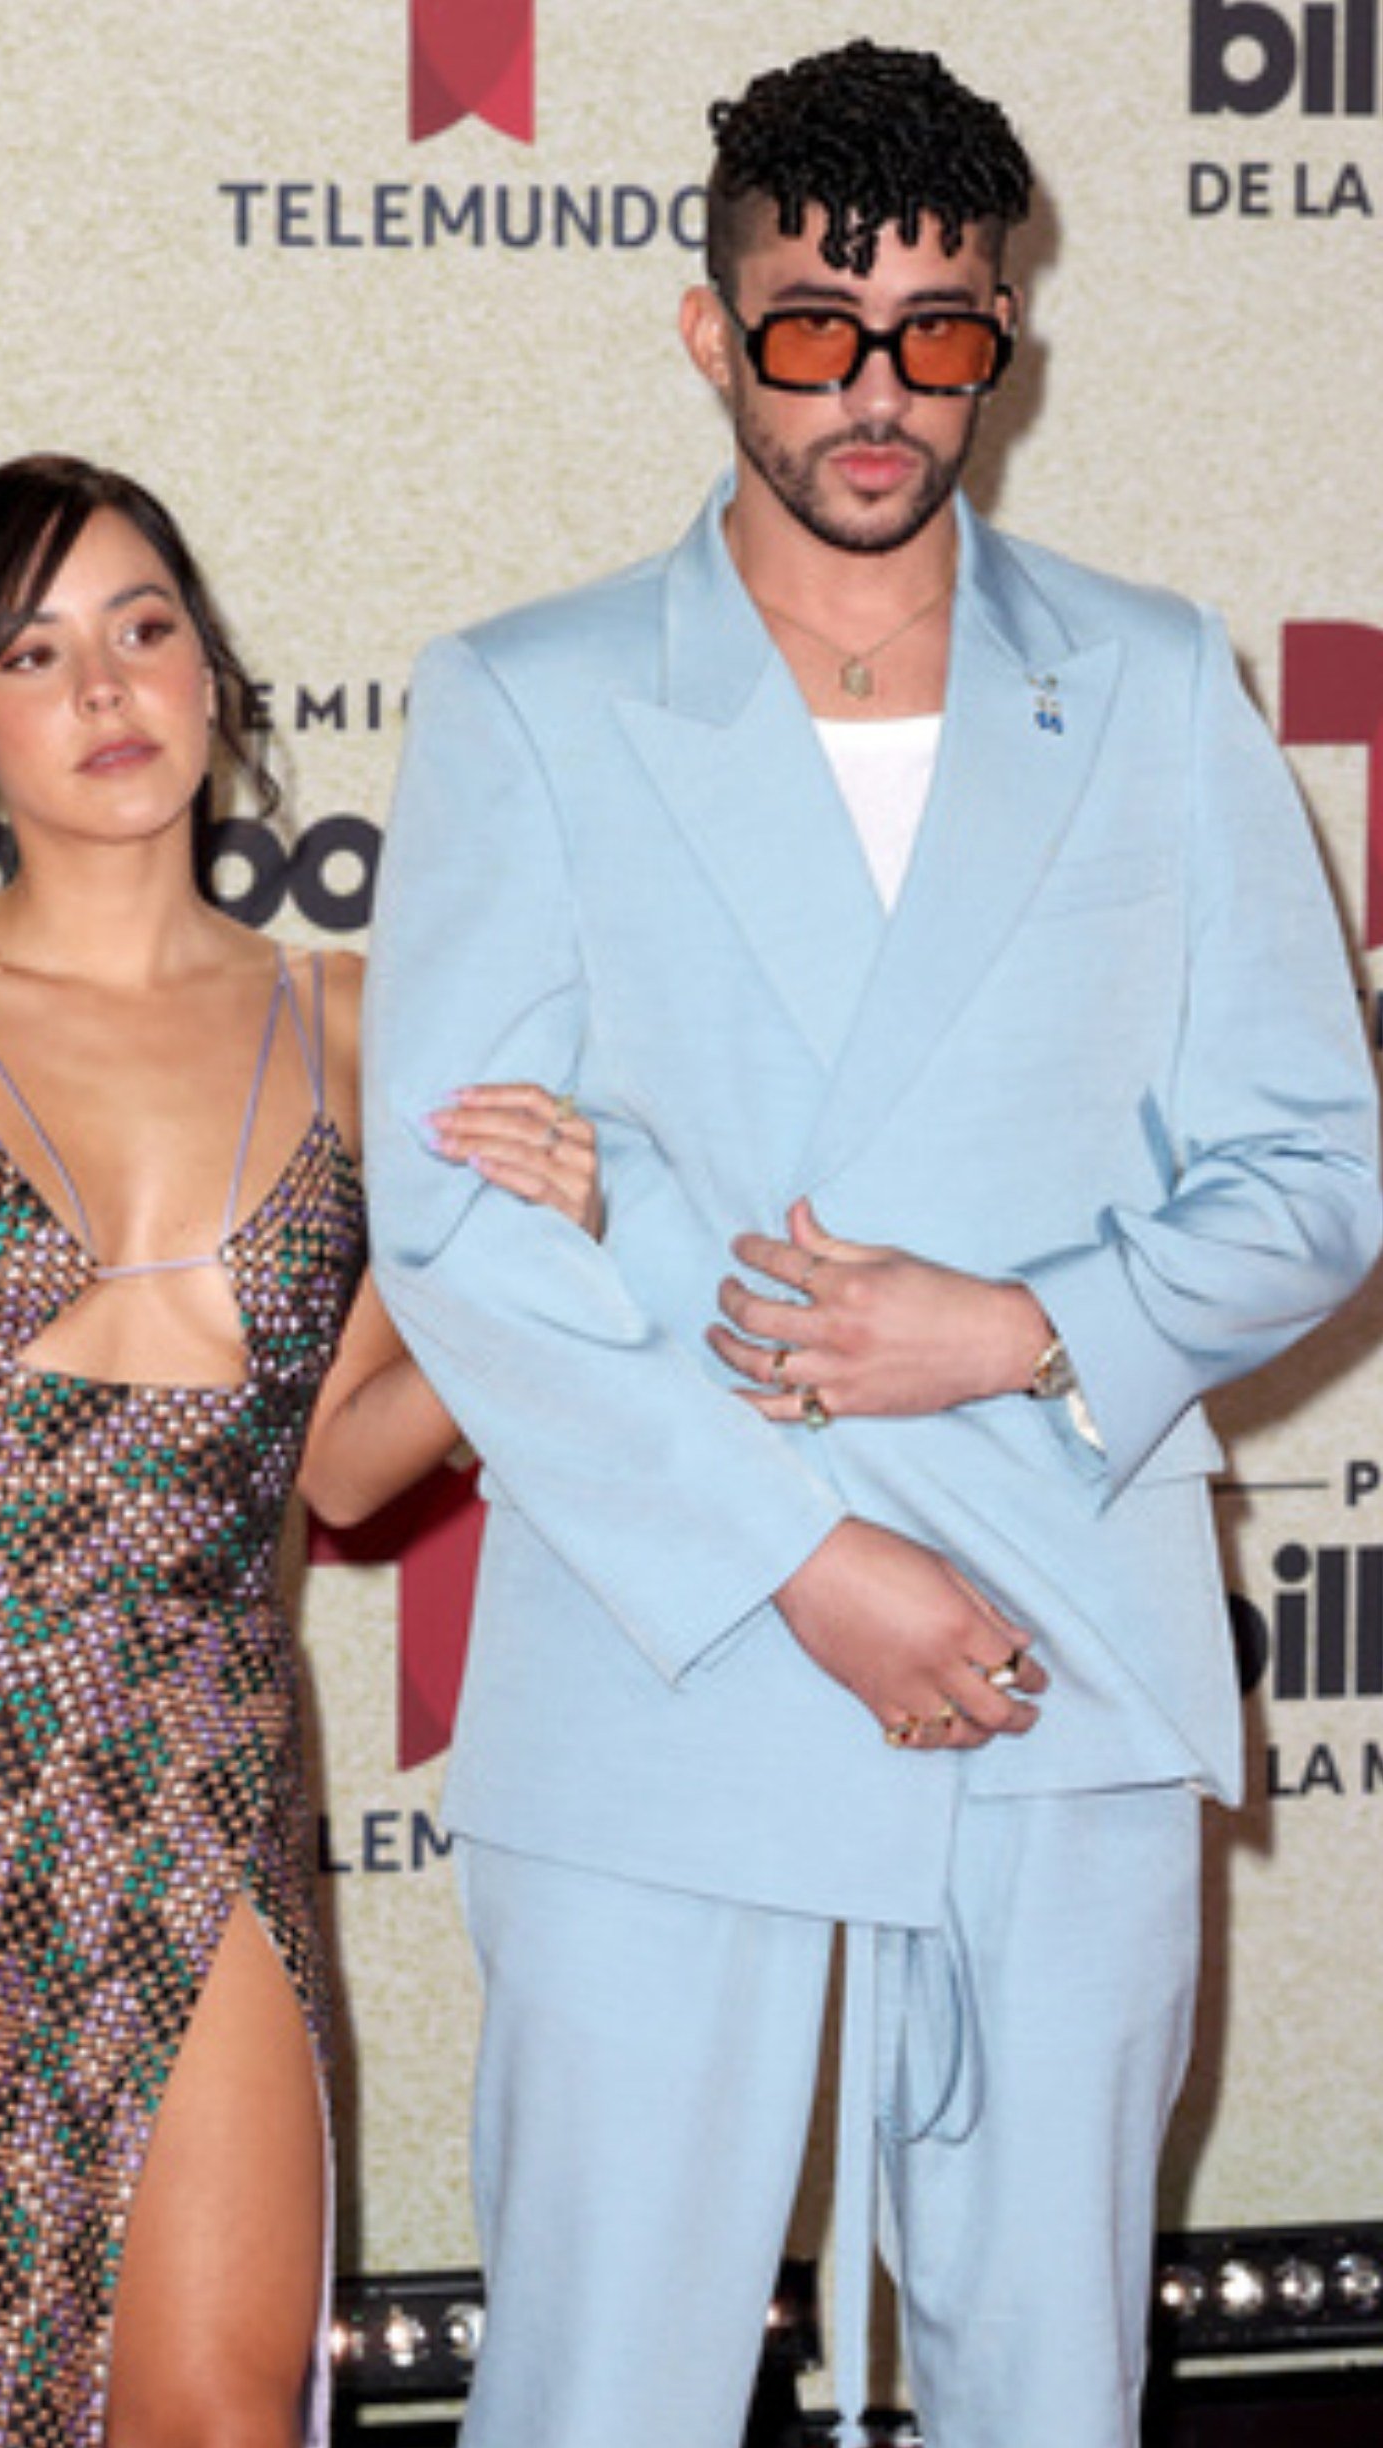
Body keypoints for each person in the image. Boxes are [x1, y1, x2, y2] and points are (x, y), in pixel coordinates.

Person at [362, 42, 1383, 2448]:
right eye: (819, 324)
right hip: (675, 1643)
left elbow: (1313, 1171)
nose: (882, 391)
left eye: (942, 332)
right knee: (608, 2382)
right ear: (714, 331)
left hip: (1063, 1639)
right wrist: (807, 1560)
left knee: (1049, 2380)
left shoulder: (1144, 682)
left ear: (1000, 340)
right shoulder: (535, 700)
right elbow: (462, 1232)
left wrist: (1029, 1327)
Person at [0, 454, 597, 2448]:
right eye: (36, 653)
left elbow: (348, 1465)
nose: (107, 689)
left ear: (215, 672)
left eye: (144, 629)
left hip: (194, 1737)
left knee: (215, 2409)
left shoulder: (377, 1031)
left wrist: (543, 1269)